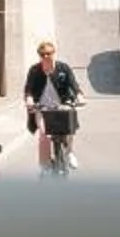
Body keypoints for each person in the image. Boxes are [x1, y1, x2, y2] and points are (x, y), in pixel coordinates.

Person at [24, 40, 86, 174]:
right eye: (42, 54)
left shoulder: (63, 68)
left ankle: (69, 153)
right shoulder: (34, 71)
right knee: (44, 135)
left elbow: (74, 86)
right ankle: (44, 164)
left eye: (48, 53)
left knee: (69, 129)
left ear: (54, 53)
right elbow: (28, 90)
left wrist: (79, 96)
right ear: (39, 56)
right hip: (42, 108)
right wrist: (29, 100)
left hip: (62, 106)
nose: (46, 57)